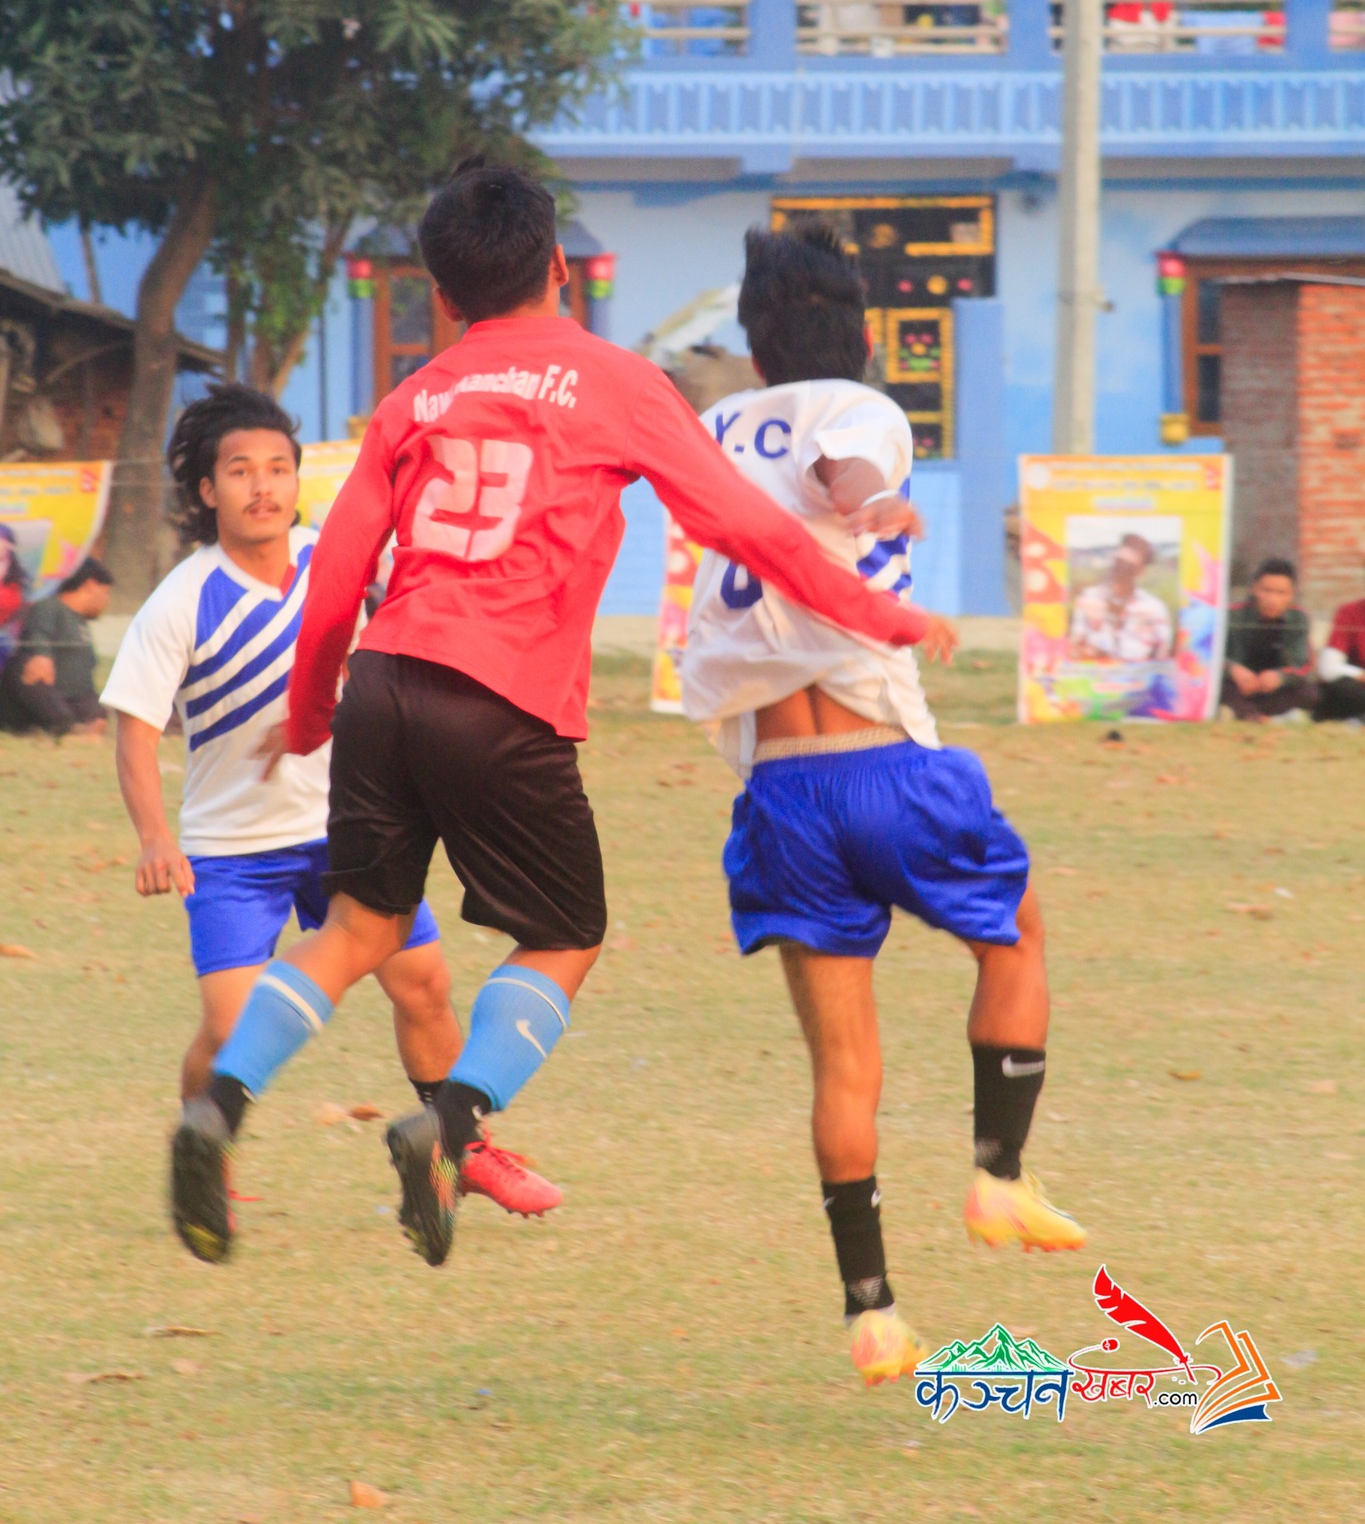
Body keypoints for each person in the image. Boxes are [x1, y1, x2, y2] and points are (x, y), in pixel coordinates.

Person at [170, 161, 951, 1269]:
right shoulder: (616, 382)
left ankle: (223, 1099)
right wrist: (881, 609)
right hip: (504, 698)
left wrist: (310, 715)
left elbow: (339, 569)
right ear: (559, 268)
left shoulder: (414, 396)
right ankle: (448, 1120)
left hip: (386, 682)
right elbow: (749, 531)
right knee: (564, 936)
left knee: (356, 927)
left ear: (442, 297)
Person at [681, 222, 1085, 1390]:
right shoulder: (861, 411)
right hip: (885, 763)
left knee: (842, 1066)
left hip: (777, 792)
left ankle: (872, 1312)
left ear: (753, 342)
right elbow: (839, 470)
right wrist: (878, 505)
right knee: (1017, 939)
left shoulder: (714, 426)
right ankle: (999, 1175)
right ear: (858, 332)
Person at [101, 383, 559, 1252]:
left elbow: (411, 650)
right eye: (239, 471)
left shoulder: (336, 567)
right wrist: (157, 837)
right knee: (232, 1029)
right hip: (233, 853)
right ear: (207, 491)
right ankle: (203, 1146)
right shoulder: (180, 601)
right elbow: (133, 731)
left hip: (350, 829)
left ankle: (456, 1151)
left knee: (425, 985)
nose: (262, 487)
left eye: (277, 468)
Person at [0, 556, 113, 737]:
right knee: (27, 668)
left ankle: (76, 726)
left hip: (70, 700)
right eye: (106, 592)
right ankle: (64, 726)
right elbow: (37, 633)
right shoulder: (49, 607)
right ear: (90, 586)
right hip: (39, 700)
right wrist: (41, 655)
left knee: (94, 706)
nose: (106, 600)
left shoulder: (79, 621)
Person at [1220, 558, 1314, 721]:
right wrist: (1233, 669)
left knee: (1311, 692)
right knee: (1221, 688)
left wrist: (1280, 677)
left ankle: (1252, 714)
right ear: (1254, 589)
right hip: (1239, 684)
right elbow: (1208, 655)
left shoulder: (1299, 618)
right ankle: (1255, 715)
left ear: (1291, 595)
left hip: (1273, 688)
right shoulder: (1233, 614)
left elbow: (1303, 664)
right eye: (1267, 590)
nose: (1272, 599)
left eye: (1280, 593)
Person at [1068, 532, 1173, 662]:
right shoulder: (1089, 599)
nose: (1121, 571)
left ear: (1140, 571)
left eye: (1129, 567)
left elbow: (1162, 658)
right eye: (1119, 563)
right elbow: (1075, 649)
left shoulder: (1154, 609)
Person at [1313, 577, 1365, 722]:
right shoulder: (1350, 612)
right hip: (1357, 688)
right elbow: (1328, 668)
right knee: (1335, 688)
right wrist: (1360, 674)